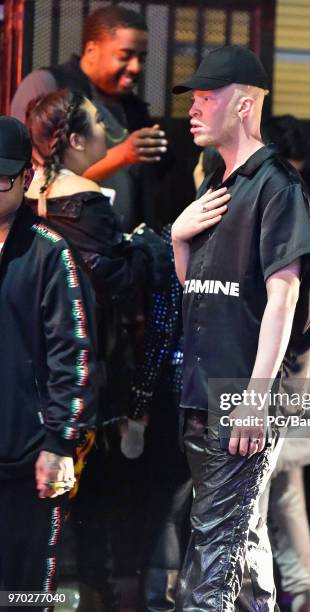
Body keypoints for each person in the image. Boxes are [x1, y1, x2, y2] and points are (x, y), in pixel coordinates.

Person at [171, 45, 310, 611]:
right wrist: (178, 237)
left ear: (246, 104)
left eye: (208, 96)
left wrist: (258, 399)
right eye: (195, 97)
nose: (194, 107)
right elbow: (196, 290)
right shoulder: (215, 180)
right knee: (242, 550)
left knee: (209, 568)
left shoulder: (277, 186)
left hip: (241, 398)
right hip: (201, 391)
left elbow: (285, 297)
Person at [24, 88, 171, 611]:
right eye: (99, 125)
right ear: (79, 140)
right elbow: (114, 279)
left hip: (28, 368)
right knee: (99, 507)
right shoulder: (85, 201)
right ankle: (96, 596)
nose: (109, 133)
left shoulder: (24, 196)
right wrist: (152, 247)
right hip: (87, 362)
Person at [0, 116, 97, 608]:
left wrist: (60, 442)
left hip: (27, 459)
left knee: (21, 595)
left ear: (27, 178)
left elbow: (74, 356)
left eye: (1, 179)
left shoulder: (50, 253)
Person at [11, 5, 169, 232]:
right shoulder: (49, 86)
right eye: (125, 56)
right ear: (92, 50)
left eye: (141, 58)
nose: (136, 67)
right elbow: (34, 175)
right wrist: (122, 155)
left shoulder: (132, 105)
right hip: (63, 236)